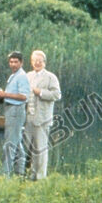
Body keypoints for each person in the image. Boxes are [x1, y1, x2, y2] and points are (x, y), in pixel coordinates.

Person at [24, 50, 62, 180]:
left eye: (40, 61)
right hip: (28, 118)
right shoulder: (28, 76)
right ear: (31, 62)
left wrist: (40, 92)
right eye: (35, 61)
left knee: (40, 150)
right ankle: (30, 176)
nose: (37, 63)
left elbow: (57, 95)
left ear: (44, 63)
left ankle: (40, 178)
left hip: (43, 119)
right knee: (28, 149)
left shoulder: (51, 77)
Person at [0, 51, 30, 177]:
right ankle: (20, 173)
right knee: (17, 143)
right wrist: (3, 94)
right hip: (10, 109)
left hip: (16, 110)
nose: (13, 64)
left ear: (21, 63)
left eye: (16, 62)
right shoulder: (14, 75)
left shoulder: (21, 76)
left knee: (9, 145)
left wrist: (5, 94)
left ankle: (5, 175)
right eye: (11, 62)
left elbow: (24, 96)